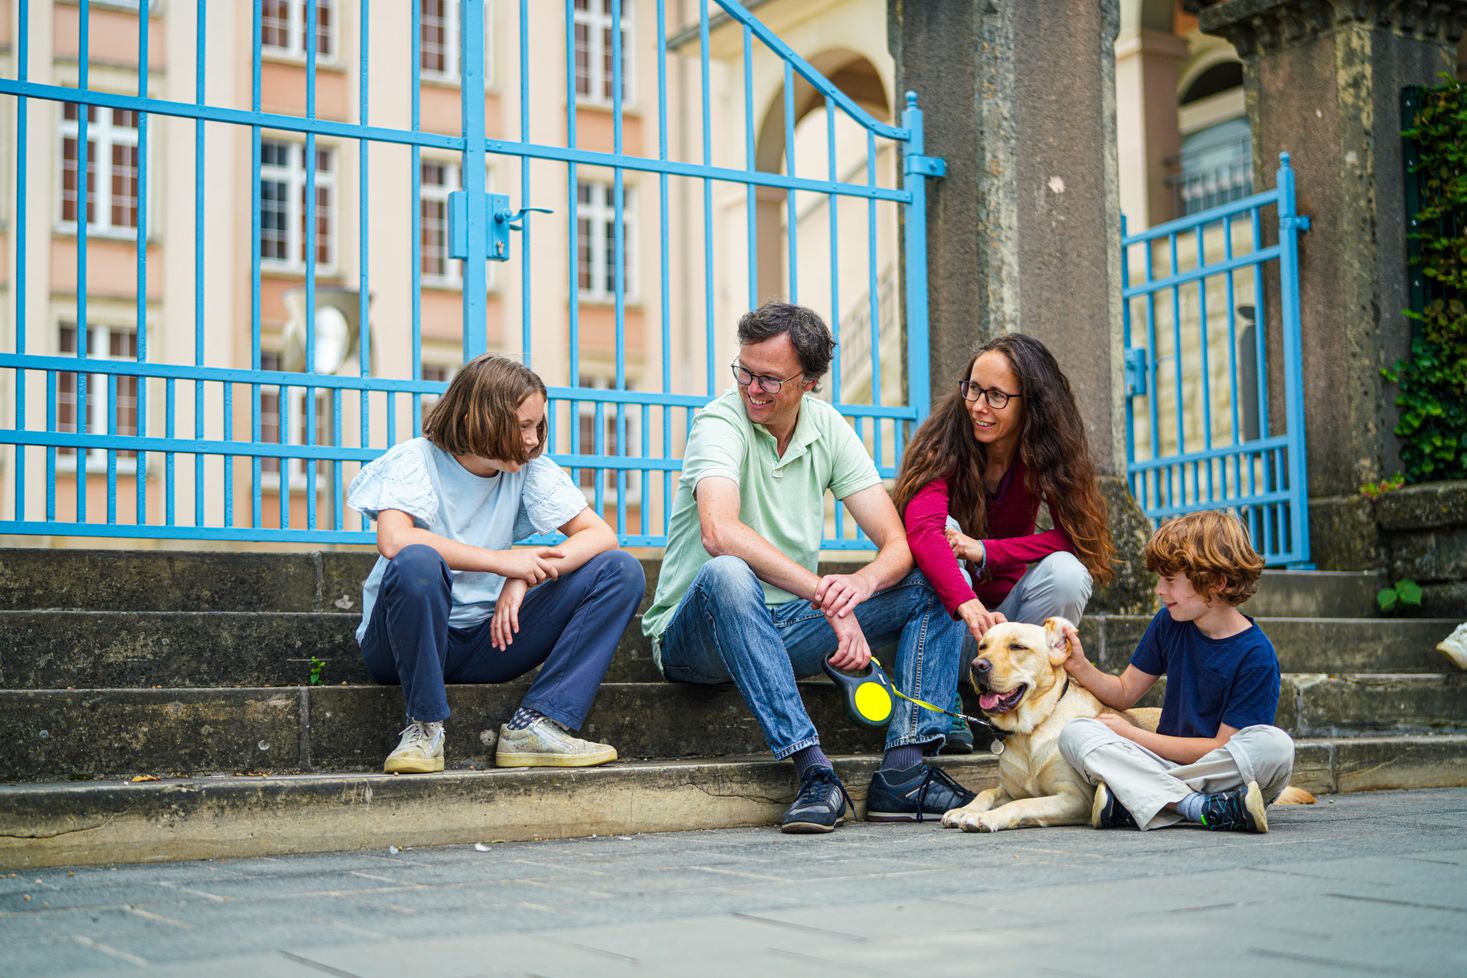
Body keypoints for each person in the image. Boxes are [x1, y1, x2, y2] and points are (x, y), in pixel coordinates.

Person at [642, 300, 975, 834]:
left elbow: (898, 542)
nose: (752, 388)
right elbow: (719, 532)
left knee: (937, 570)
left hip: (790, 625)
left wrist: (858, 587)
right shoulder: (719, 421)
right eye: (745, 371)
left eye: (769, 379)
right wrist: (825, 595)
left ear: (811, 381)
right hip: (695, 635)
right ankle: (814, 772)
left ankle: (906, 770)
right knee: (729, 572)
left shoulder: (827, 428)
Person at [347, 353, 644, 774]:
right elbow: (394, 539)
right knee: (417, 561)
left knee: (620, 570)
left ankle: (536, 724)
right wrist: (502, 563)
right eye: (523, 426)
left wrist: (523, 576)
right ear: (478, 417)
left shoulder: (528, 470)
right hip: (399, 646)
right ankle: (424, 729)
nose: (532, 439)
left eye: (538, 425)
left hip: (488, 641)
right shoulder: (415, 459)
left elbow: (600, 535)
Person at [892, 333, 1115, 751]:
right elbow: (922, 530)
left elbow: (1079, 536)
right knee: (945, 530)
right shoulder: (944, 441)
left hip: (1008, 625)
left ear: (1029, 402)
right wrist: (966, 601)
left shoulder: (1046, 454)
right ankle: (943, 700)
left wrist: (989, 550)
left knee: (1068, 573)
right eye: (973, 389)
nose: (978, 405)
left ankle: (1023, 697)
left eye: (997, 396)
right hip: (946, 627)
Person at [1056, 510, 1295, 833]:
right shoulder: (1170, 622)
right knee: (1075, 733)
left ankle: (1141, 800)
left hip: (1220, 773)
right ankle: (1197, 808)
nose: (1159, 590)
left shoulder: (1257, 655)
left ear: (1216, 583)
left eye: (1169, 580)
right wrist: (1080, 666)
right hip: (1166, 765)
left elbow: (1220, 748)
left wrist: (1130, 734)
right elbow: (1124, 692)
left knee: (1276, 747)